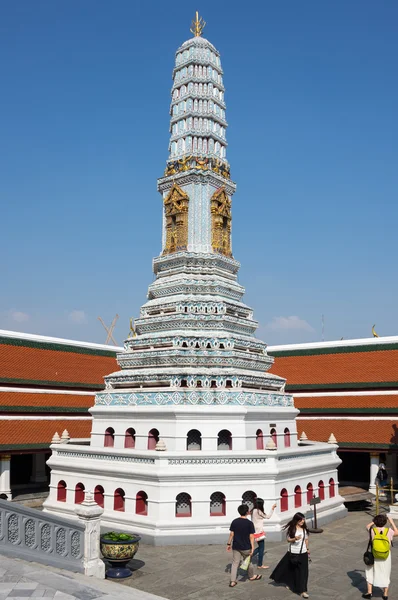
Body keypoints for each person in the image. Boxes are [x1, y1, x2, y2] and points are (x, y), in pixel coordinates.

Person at [270, 512, 309, 598]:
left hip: (303, 553)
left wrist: (307, 549)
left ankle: (303, 590)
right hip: (292, 553)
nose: (302, 521)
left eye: (303, 519)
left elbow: (306, 540)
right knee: (291, 569)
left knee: (303, 572)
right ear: (297, 520)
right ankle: (289, 583)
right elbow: (288, 540)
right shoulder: (292, 529)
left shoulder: (304, 530)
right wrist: (294, 539)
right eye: (300, 520)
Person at [363, 514, 398, 600]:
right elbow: (397, 533)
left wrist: (373, 522)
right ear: (385, 522)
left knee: (370, 572)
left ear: (375, 522)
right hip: (386, 556)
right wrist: (392, 522)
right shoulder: (388, 531)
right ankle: (385, 594)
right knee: (385, 573)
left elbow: (367, 526)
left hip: (374, 555)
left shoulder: (372, 530)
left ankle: (369, 592)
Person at [227, 504, 262, 587]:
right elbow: (251, 536)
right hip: (246, 546)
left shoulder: (234, 521)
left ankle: (232, 581)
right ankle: (251, 576)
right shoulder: (249, 523)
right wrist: (253, 547)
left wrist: (228, 543)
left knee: (235, 563)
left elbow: (232, 534)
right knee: (248, 562)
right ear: (247, 512)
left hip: (236, 546)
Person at [251, 498, 277, 569]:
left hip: (254, 531)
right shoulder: (259, 511)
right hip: (259, 531)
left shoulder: (253, 511)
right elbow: (268, 517)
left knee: (260, 547)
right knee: (261, 548)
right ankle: (259, 564)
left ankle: (251, 554)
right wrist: (272, 508)